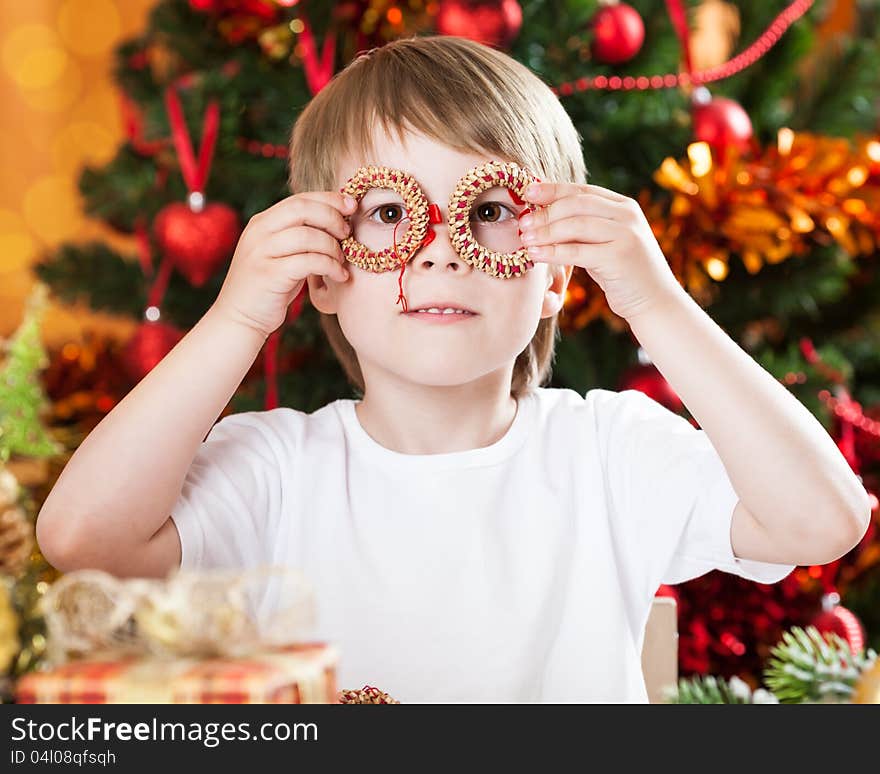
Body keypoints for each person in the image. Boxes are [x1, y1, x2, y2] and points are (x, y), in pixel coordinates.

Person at [36, 35, 871, 703]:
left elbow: (822, 521)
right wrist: (239, 316)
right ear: (325, 272)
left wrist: (654, 301)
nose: (439, 250)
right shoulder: (275, 470)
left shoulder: (608, 452)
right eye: (393, 212)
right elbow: (81, 539)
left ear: (554, 274)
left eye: (490, 212)